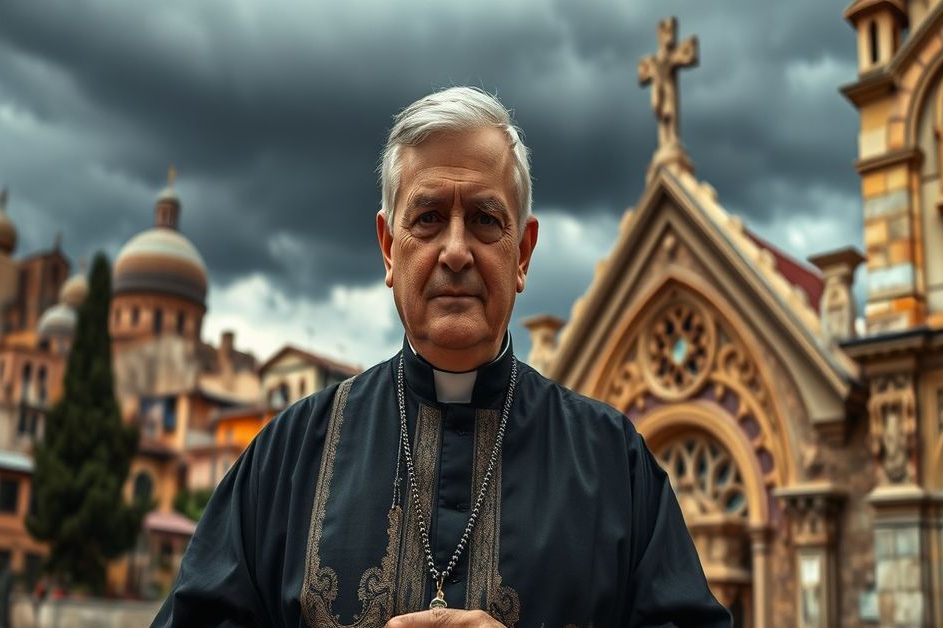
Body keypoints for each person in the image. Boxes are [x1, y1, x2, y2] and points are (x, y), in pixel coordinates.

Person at [152, 86, 731, 627]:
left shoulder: (613, 464)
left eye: (485, 220)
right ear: (387, 248)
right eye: (428, 219)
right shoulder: (286, 459)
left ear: (523, 252)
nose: (456, 251)